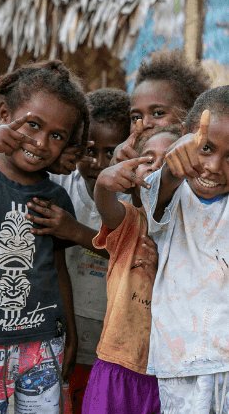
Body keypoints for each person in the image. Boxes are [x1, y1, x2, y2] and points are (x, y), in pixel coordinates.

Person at [0, 60, 89, 414]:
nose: (40, 142)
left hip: (42, 345)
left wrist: (71, 332)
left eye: (57, 135)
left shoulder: (56, 198)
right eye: (33, 125)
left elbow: (57, 269)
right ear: (5, 113)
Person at [26, 88, 131, 413]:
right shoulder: (62, 188)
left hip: (119, 335)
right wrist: (69, 334)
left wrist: (75, 231)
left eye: (111, 152)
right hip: (70, 330)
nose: (99, 163)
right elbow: (55, 263)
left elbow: (139, 258)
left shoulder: (136, 197)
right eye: (89, 150)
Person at [140, 86, 229, 413]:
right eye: (206, 148)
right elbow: (158, 191)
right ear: (184, 140)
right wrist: (172, 167)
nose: (215, 166)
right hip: (182, 363)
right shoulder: (169, 193)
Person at [82, 125, 182, 414]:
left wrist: (161, 266)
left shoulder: (191, 233)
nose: (159, 168)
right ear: (132, 172)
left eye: (171, 160)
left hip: (165, 372)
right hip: (116, 364)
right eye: (148, 159)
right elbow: (106, 205)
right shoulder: (130, 223)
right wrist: (103, 183)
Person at [114, 49, 210, 164]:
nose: (144, 124)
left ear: (190, 114)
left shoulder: (207, 170)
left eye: (158, 113)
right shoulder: (125, 169)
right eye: (136, 117)